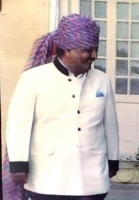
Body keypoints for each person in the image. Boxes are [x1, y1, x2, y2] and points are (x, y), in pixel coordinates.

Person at [4, 14, 119, 200]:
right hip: (48, 177)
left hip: (92, 176)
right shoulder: (33, 78)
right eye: (87, 50)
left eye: (95, 50)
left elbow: (110, 124)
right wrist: (18, 164)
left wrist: (113, 160)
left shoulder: (101, 79)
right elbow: (18, 124)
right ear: (67, 50)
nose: (94, 56)